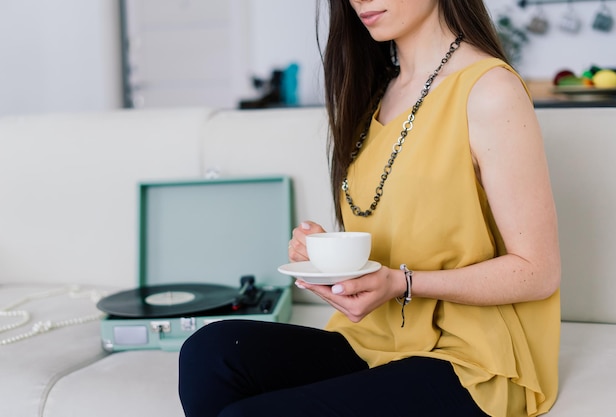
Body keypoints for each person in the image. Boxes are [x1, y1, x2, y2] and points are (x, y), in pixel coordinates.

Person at [178, 0, 561, 416]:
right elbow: (395, 231)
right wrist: (327, 257)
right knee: (210, 352)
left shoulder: (489, 90)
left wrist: (402, 284)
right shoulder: (376, 91)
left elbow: (538, 271)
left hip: (469, 360)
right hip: (374, 340)